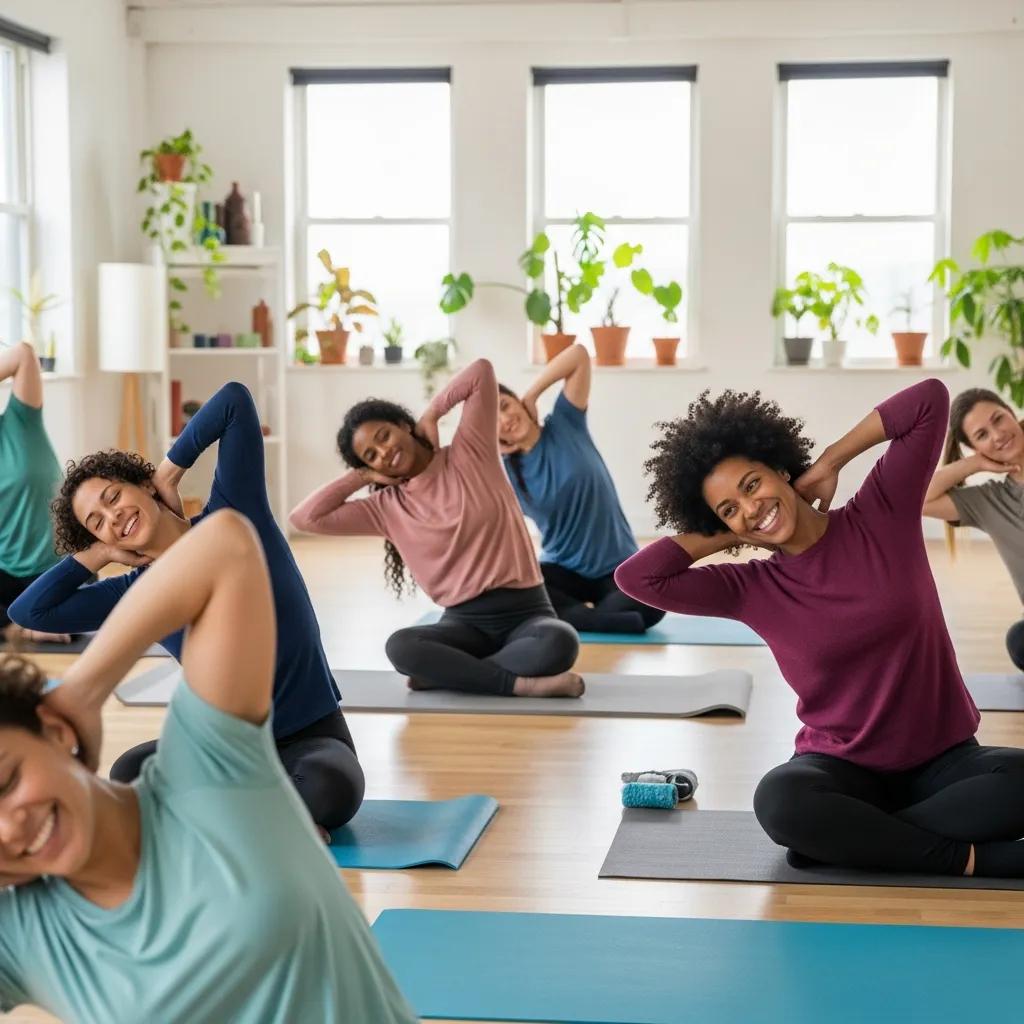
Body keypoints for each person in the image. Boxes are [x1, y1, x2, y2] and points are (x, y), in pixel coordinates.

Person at [0, 510, 418, 1023]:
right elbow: (33, 609)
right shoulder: (17, 934)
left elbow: (225, 544)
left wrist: (82, 690)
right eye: (97, 519)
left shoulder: (202, 772)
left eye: (8, 780)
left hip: (293, 740)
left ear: (55, 732)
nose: (8, 828)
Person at [615, 379, 1024, 877]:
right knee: (780, 801)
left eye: (752, 485)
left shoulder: (882, 512)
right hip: (843, 771)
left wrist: (830, 461)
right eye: (728, 509)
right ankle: (968, 859)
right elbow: (637, 577)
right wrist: (735, 527)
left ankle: (852, 840)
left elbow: (928, 401)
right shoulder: (748, 587)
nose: (751, 506)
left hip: (946, 761)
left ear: (782, 470)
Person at [8, 382, 363, 834]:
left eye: (113, 497)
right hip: (221, 754)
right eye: (96, 523)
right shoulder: (138, 593)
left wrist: (170, 471)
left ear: (141, 485)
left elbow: (234, 401)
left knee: (333, 789)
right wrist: (98, 555)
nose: (112, 517)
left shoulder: (236, 514)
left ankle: (228, 819)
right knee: (128, 771)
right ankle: (270, 820)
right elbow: (30, 613)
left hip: (309, 738)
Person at [290, 357, 582, 698]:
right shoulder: (385, 508)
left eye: (384, 436)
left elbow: (482, 372)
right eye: (371, 455)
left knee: (560, 641)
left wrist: (431, 415)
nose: (384, 451)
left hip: (527, 614)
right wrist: (362, 475)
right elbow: (304, 518)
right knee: (401, 647)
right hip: (464, 625)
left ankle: (454, 673)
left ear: (403, 424)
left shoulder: (470, 452)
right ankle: (517, 685)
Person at [497, 343, 665, 634]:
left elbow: (578, 355)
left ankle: (580, 619)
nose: (505, 419)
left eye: (505, 406)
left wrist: (532, 394)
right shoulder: (506, 472)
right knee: (516, 593)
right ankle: (605, 621)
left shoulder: (565, 422)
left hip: (617, 569)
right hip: (562, 573)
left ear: (517, 401)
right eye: (493, 421)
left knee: (656, 596)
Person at [923, 387, 1024, 670]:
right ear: (974, 448)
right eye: (982, 435)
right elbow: (918, 498)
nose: (998, 434)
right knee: (1019, 641)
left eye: (998, 419)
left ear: (1010, 412)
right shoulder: (990, 501)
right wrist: (975, 464)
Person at [0, 341, 69, 646]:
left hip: (54, 568)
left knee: (82, 607)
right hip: (4, 577)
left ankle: (27, 623)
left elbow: (23, 354)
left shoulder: (21, 421)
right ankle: (18, 627)